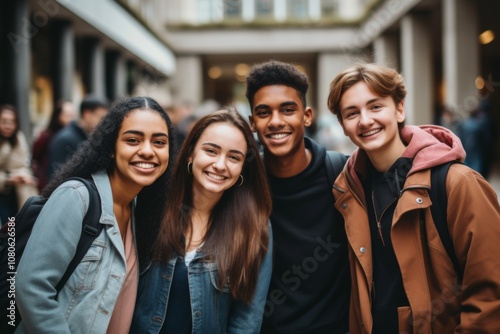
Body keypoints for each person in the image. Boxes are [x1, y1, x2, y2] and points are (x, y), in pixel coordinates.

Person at [327, 63, 500, 333]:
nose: (365, 120)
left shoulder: (458, 183)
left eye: (375, 107)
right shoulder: (349, 192)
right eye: (352, 113)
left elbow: (490, 294)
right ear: (343, 125)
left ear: (399, 109)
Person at [15, 96, 175, 333]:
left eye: (159, 142)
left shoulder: (141, 208)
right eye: (133, 140)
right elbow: (32, 288)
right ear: (111, 148)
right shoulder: (76, 197)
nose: (148, 151)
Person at [131, 107, 273, 333]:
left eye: (234, 157)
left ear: (243, 166)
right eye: (211, 151)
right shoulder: (153, 206)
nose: (220, 164)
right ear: (190, 153)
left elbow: (247, 320)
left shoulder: (254, 227)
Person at [245, 60, 350, 334]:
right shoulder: (242, 184)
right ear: (252, 123)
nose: (276, 121)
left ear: (307, 116)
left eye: (288, 110)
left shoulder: (344, 174)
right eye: (264, 113)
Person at [46, 94, 108, 181]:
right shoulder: (64, 139)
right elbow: (56, 177)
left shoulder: (89, 136)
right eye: (101, 118)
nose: (103, 123)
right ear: (87, 114)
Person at [0, 104, 37, 225]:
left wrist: (23, 176)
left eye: (12, 121)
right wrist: (8, 179)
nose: (8, 125)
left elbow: (23, 165)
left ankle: (11, 244)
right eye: (4, 121)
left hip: (16, 194)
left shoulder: (19, 139)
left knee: (13, 229)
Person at [32, 99, 76, 192]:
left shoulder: (75, 135)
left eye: (72, 115)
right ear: (58, 116)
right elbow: (35, 157)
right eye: (67, 115)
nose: (71, 119)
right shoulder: (46, 136)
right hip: (48, 181)